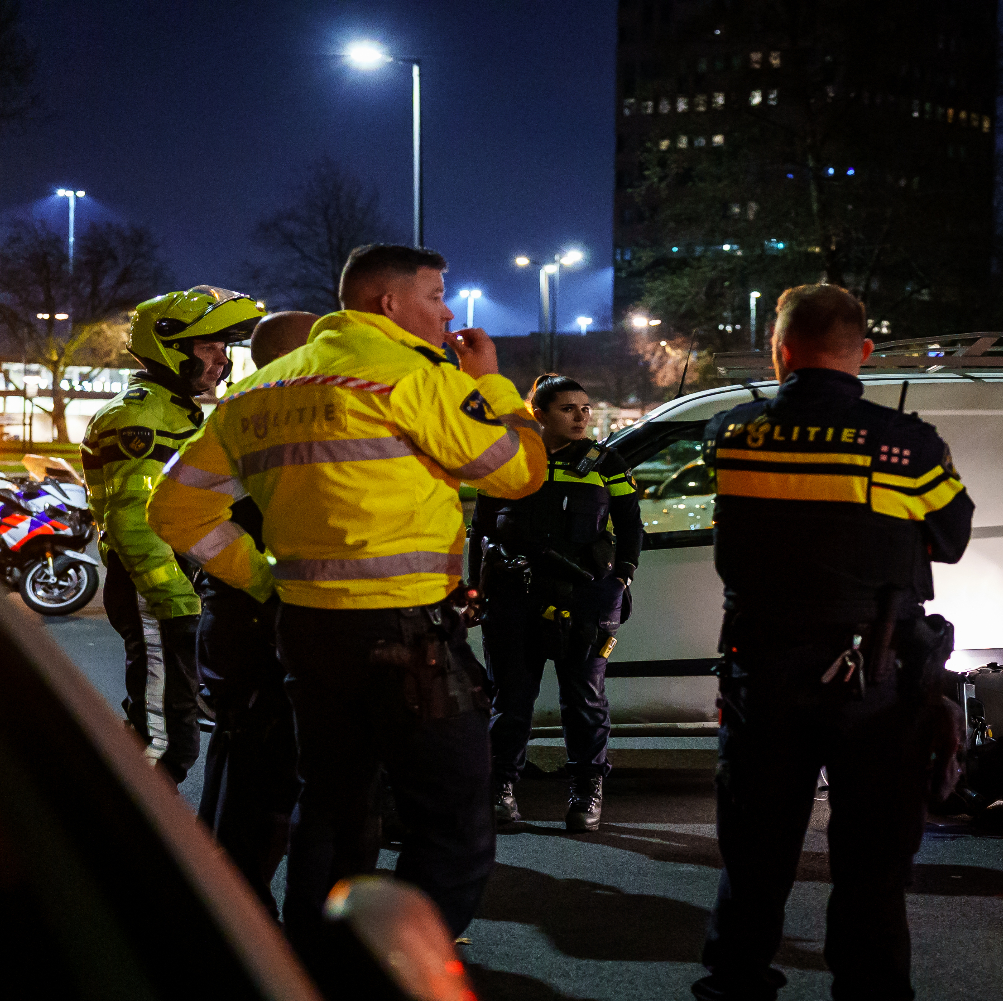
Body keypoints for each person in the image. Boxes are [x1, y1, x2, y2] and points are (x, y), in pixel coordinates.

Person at [147, 244, 546, 957]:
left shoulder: (256, 392)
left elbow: (173, 511)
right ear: (387, 303)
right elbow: (518, 474)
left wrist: (263, 577)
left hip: (306, 631)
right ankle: (396, 973)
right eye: (435, 295)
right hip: (409, 635)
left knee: (332, 803)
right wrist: (494, 385)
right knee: (453, 820)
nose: (448, 313)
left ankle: (320, 969)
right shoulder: (413, 377)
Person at [692, 285, 974, 1001]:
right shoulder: (904, 444)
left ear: (779, 349)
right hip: (872, 684)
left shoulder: (732, 434)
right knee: (872, 871)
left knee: (754, 865)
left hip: (761, 675)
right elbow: (950, 539)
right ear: (865, 353)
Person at [81, 286, 263, 783]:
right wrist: (177, 602)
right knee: (162, 741)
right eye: (209, 348)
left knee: (165, 727)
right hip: (154, 589)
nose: (221, 361)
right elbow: (135, 521)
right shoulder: (140, 416)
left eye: (223, 349)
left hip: (171, 584)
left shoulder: (175, 409)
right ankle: (126, 820)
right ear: (169, 347)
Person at [471, 373, 641, 832]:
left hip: (585, 598)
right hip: (515, 597)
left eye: (585, 408)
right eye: (568, 409)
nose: (580, 417)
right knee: (510, 700)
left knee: (585, 699)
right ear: (539, 415)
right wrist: (475, 589)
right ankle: (501, 790)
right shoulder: (508, 462)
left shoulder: (606, 463)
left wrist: (622, 577)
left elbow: (630, 525)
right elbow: (481, 530)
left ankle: (586, 792)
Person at [189, 310, 317, 915]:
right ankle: (241, 914)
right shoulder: (284, 419)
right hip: (264, 619)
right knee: (266, 773)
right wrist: (266, 582)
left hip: (235, 614)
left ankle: (219, 898)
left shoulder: (235, 414)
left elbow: (181, 513)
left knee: (239, 758)